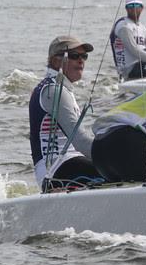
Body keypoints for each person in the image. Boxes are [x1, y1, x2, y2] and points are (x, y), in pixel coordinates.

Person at [29, 35, 101, 191]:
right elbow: (80, 141)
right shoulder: (54, 91)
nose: (81, 60)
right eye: (74, 56)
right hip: (56, 171)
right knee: (119, 172)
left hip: (70, 163)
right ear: (56, 61)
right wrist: (113, 158)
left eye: (84, 56)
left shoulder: (61, 88)